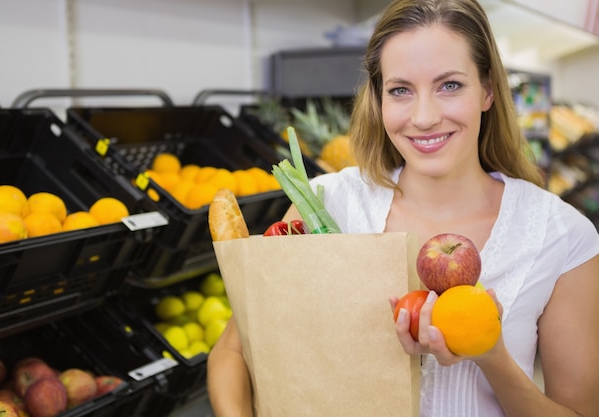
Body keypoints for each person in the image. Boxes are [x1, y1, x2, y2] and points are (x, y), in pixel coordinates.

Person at [207, 0, 599, 415]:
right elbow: (233, 353)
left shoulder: (561, 236)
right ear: (378, 99)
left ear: (487, 90)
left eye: (449, 85)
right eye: (400, 90)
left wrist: (490, 355)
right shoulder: (327, 205)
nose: (424, 117)